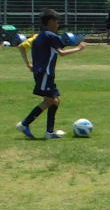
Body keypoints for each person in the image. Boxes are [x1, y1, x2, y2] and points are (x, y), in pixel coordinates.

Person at [16, 9, 87, 139]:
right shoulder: (50, 36)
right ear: (50, 22)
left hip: (44, 73)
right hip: (45, 73)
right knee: (50, 100)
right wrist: (79, 48)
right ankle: (24, 124)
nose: (58, 24)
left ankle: (49, 132)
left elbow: (23, 47)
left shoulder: (39, 36)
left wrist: (29, 64)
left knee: (55, 101)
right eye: (57, 21)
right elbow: (61, 53)